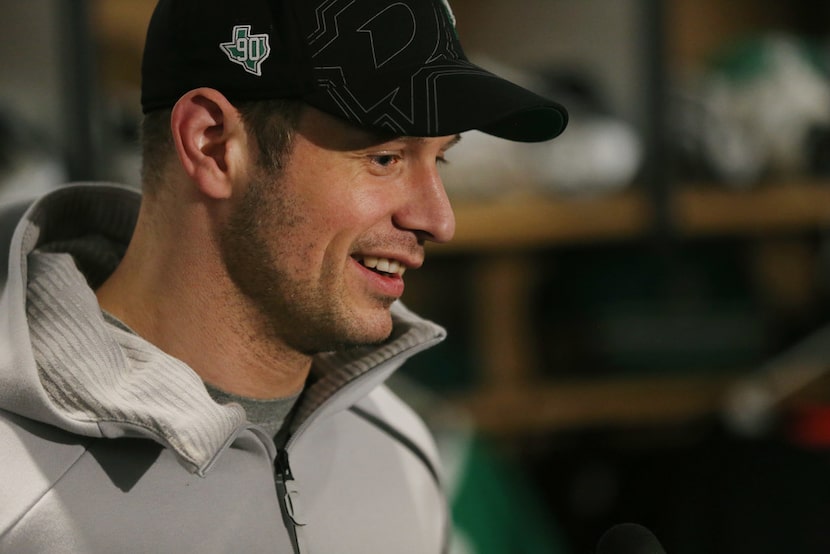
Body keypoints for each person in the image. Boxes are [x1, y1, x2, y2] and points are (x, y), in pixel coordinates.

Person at [0, 0, 566, 552]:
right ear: (213, 144)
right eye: (385, 158)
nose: (439, 219)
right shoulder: (14, 489)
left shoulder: (402, 451)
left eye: (439, 159)